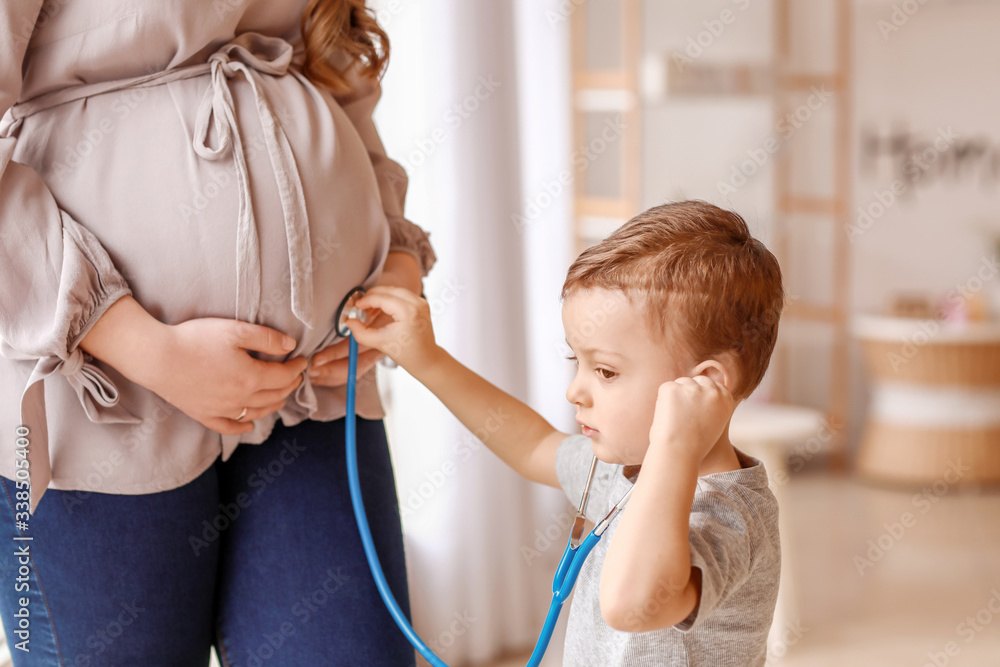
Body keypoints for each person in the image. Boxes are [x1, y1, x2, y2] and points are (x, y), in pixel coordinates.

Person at [0, 1, 433, 664]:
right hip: (95, 392)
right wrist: (143, 345)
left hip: (311, 388)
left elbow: (337, 72)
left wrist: (396, 263)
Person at [345, 200, 785, 666]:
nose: (576, 390)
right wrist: (425, 358)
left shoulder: (735, 517)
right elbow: (533, 444)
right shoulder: (621, 472)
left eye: (607, 371)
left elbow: (632, 605)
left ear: (706, 385)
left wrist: (676, 444)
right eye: (578, 363)